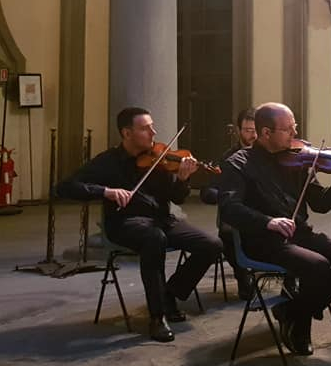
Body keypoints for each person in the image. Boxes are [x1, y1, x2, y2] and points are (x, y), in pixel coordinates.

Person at [217, 102, 331, 356]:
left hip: (299, 234)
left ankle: (292, 311)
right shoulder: (239, 163)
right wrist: (268, 221)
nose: (295, 134)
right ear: (266, 133)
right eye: (288, 129)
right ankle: (301, 326)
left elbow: (320, 203)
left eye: (295, 127)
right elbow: (229, 208)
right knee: (318, 266)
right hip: (262, 239)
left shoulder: (297, 161)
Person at [57, 107, 223, 343]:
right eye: (145, 128)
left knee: (212, 245)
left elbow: (176, 198)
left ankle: (170, 293)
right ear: (126, 133)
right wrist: (106, 191)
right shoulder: (108, 162)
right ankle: (157, 316)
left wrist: (183, 179)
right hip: (125, 222)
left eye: (152, 127)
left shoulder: (161, 159)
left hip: (161, 220)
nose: (153, 132)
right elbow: (65, 187)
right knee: (154, 239)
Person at [199, 109, 258, 300]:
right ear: (239, 131)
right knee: (228, 230)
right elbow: (209, 192)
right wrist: (227, 197)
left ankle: (289, 279)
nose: (253, 135)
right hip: (238, 218)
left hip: (264, 215)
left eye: (256, 130)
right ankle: (243, 276)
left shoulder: (269, 154)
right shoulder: (229, 158)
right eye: (248, 130)